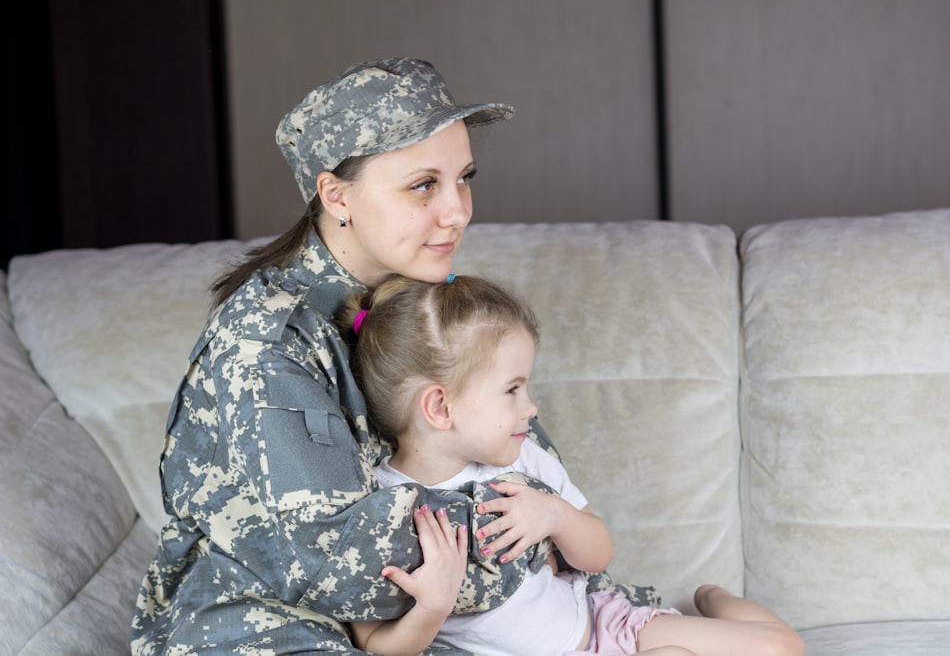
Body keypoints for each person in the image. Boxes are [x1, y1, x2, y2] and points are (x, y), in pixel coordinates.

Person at [131, 57, 655, 655]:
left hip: (431, 622)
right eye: (424, 184)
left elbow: (518, 452)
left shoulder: (425, 295)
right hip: (265, 623)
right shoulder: (267, 345)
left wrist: (548, 520)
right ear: (336, 196)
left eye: (465, 177)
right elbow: (345, 563)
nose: (457, 210)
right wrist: (534, 528)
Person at [339, 274, 806, 656]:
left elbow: (598, 554)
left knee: (784, 648)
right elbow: (376, 645)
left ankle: (714, 599)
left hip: (603, 626)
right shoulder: (379, 508)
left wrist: (555, 515)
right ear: (440, 407)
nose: (531, 408)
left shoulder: (521, 458)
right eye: (512, 390)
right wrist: (433, 606)